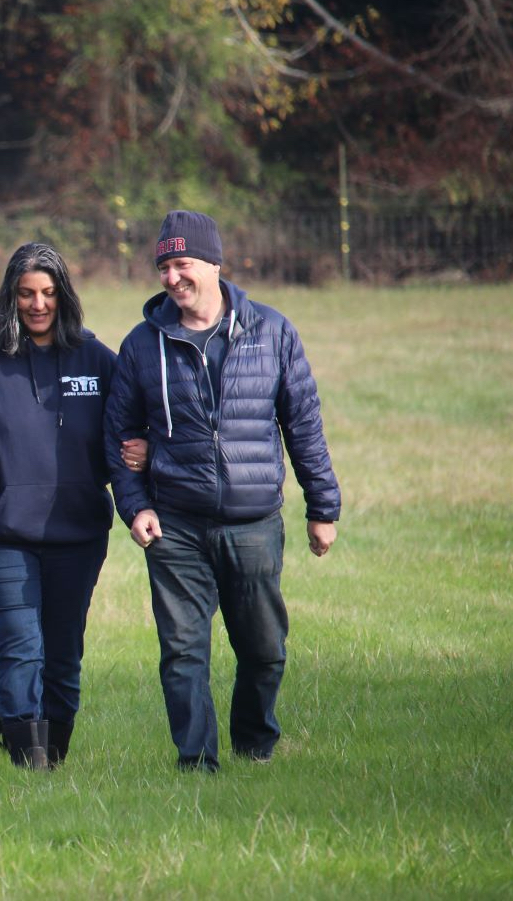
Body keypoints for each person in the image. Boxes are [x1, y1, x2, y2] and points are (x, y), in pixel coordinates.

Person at [104, 209, 340, 773]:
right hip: (174, 523)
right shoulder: (142, 345)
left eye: (182, 263)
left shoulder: (273, 332)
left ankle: (255, 746)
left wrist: (322, 506)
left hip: (254, 522)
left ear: (213, 262)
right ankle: (196, 761)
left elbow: (303, 423)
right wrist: (134, 505)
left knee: (263, 649)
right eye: (163, 266)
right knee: (183, 651)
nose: (171, 276)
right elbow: (118, 434)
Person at [0, 243, 145, 769]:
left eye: (48, 293)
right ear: (10, 296)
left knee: (63, 652)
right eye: (26, 293)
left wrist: (142, 449)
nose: (37, 304)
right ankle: (30, 766)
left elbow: (129, 430)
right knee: (20, 645)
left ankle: (54, 757)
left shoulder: (98, 362)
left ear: (64, 296)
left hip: (77, 535)